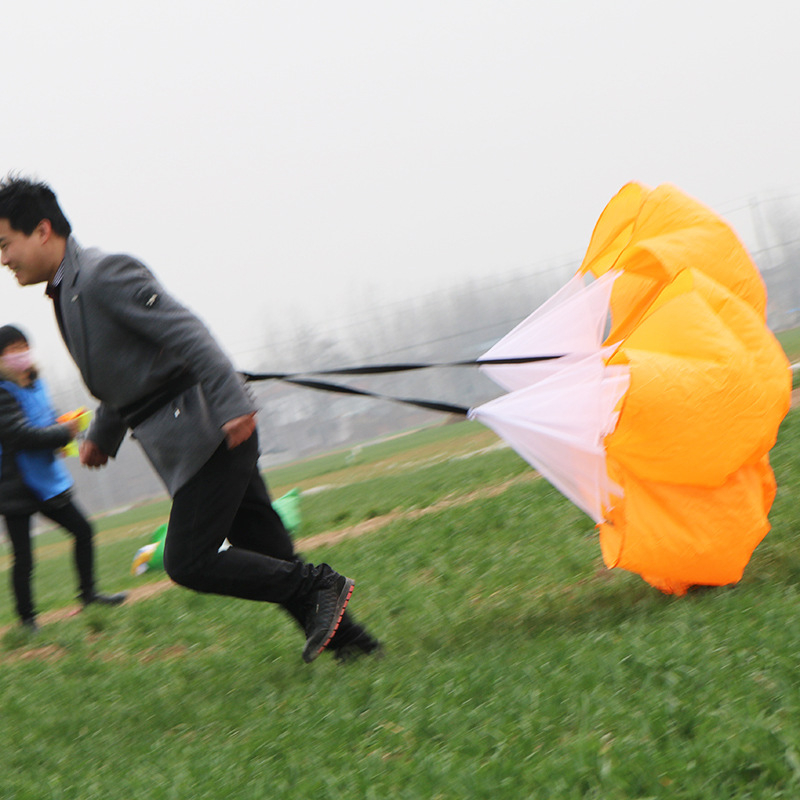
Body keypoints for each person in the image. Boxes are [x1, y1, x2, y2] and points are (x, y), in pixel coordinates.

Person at [0, 176, 380, 663]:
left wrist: (234, 405)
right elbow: (126, 375)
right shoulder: (68, 291)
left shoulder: (101, 275)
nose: (5, 259)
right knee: (267, 551)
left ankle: (320, 583)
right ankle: (357, 649)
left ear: (43, 230)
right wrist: (102, 435)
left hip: (210, 430)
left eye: (6, 244)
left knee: (189, 560)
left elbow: (189, 334)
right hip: (191, 436)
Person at [0, 324, 127, 631]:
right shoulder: (2, 393)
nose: (20, 354)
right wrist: (62, 432)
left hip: (45, 477)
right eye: (11, 349)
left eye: (22, 346)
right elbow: (17, 435)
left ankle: (89, 595)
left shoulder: (35, 384)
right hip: (13, 483)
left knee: (83, 531)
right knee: (24, 556)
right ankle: (27, 620)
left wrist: (63, 434)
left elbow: (44, 420)